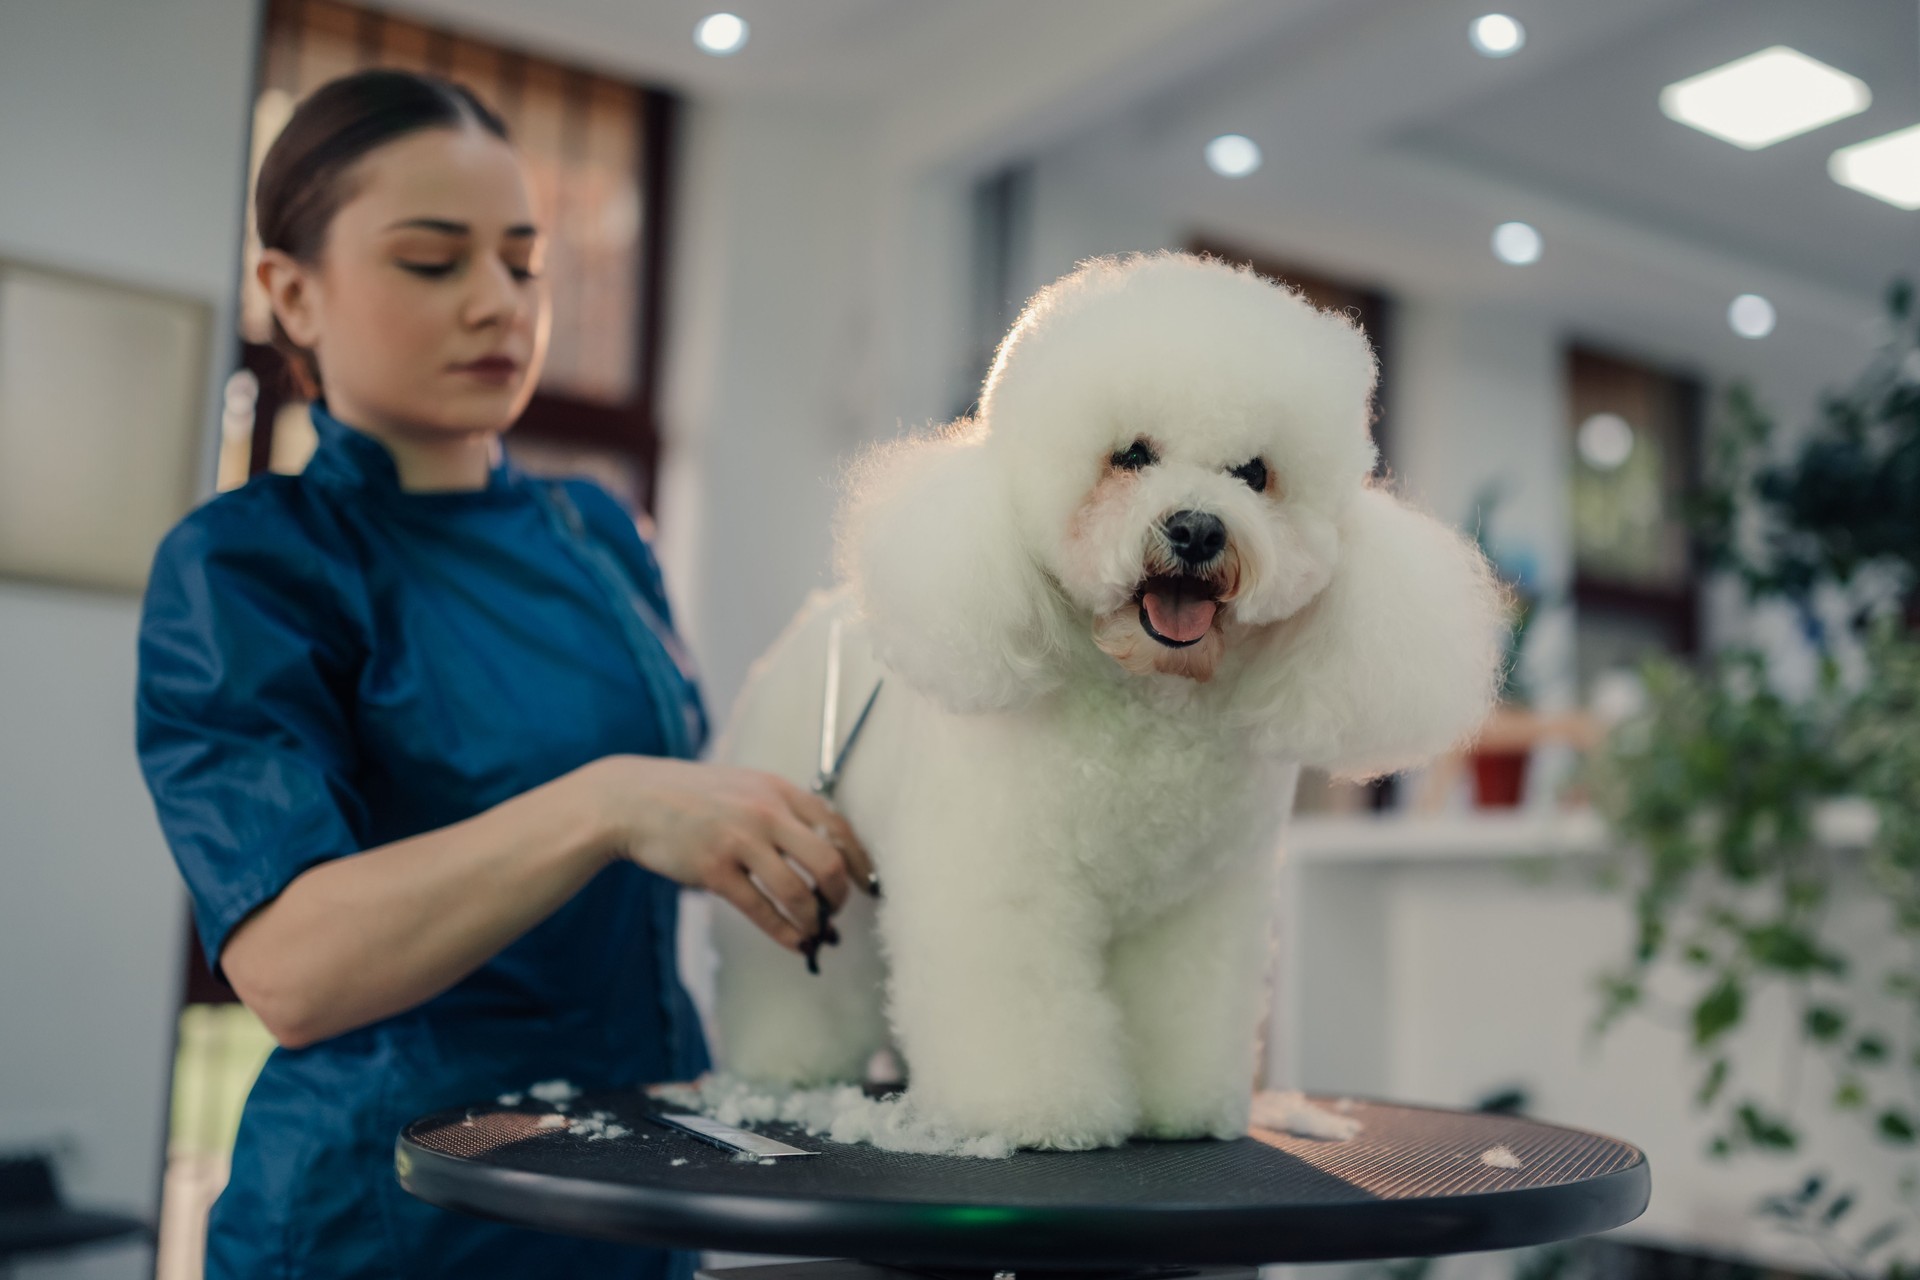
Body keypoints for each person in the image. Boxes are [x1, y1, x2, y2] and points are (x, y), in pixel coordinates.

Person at [136, 69, 874, 1279]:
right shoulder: (251, 563)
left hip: (632, 1183)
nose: (499, 303)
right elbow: (293, 968)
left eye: (524, 263)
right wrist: (609, 804)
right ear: (289, 291)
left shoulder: (598, 532)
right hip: (393, 1209)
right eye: (433, 262)